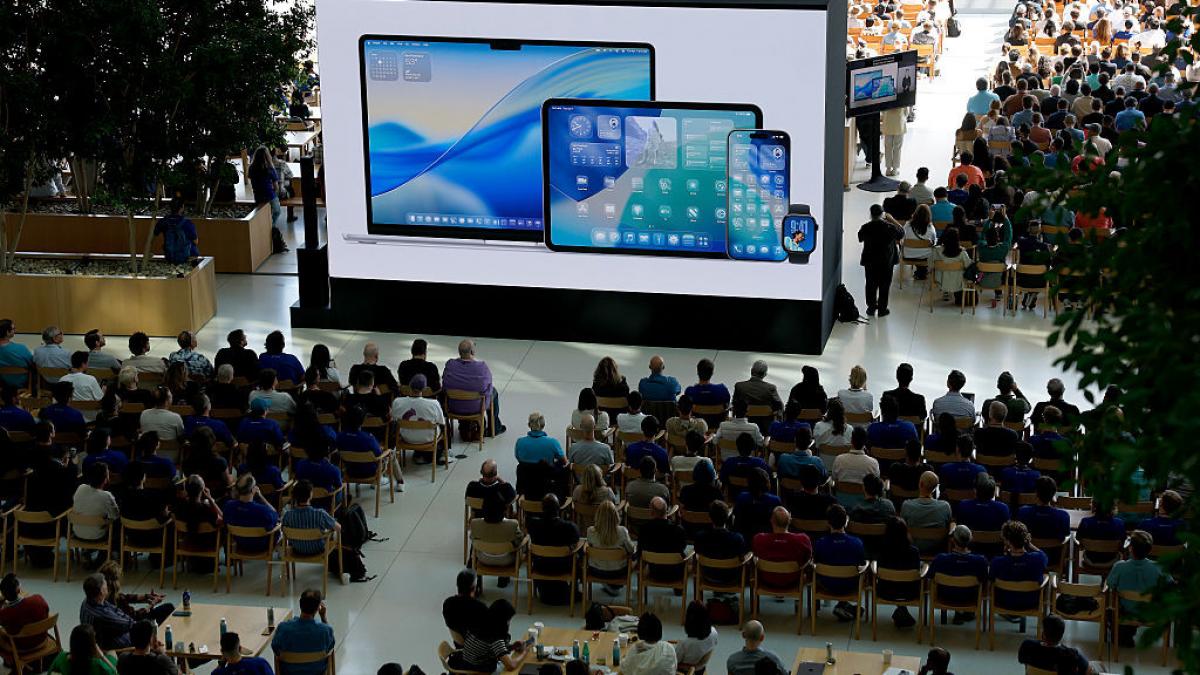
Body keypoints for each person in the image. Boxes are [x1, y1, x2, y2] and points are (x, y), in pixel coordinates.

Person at [927, 525, 990, 625]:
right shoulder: (980, 561)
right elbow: (985, 581)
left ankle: (959, 612)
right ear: (970, 539)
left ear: (953, 540)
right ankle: (963, 611)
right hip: (970, 599)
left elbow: (929, 577)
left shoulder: (940, 559)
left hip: (945, 597)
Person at [813, 504, 867, 621]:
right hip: (850, 586)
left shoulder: (820, 543)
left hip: (826, 585)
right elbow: (862, 564)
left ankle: (842, 606)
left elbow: (815, 563)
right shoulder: (857, 543)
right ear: (846, 522)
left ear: (828, 523)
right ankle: (844, 605)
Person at [990, 520, 1048, 621]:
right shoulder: (1038, 559)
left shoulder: (997, 562)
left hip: (1004, 602)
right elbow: (1044, 556)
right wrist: (1030, 544)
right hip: (1031, 603)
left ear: (1007, 541)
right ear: (1025, 540)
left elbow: (991, 579)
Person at [527, 494, 580, 603]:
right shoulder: (569, 527)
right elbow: (577, 539)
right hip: (562, 568)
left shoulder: (533, 525)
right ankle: (574, 591)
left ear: (542, 509)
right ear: (558, 509)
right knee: (579, 553)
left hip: (540, 566)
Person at [444, 339, 504, 435]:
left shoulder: (450, 365)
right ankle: (495, 428)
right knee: (494, 391)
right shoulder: (481, 367)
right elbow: (488, 387)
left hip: (454, 407)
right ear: (472, 352)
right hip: (477, 408)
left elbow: (444, 384)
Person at [270, 590, 335, 675]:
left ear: (300, 604)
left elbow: (275, 648)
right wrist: (323, 618)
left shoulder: (283, 628)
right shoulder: (325, 630)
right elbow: (331, 645)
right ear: (318, 608)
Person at [450, 598, 523, 672]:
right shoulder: (495, 637)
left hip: (466, 660)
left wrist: (512, 646)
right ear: (503, 621)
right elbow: (511, 666)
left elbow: (493, 649)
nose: (509, 623)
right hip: (476, 668)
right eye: (509, 620)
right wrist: (524, 653)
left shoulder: (479, 624)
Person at [857, 204, 903, 316]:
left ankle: (871, 307)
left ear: (871, 214)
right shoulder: (890, 227)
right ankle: (882, 309)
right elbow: (901, 234)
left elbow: (860, 238)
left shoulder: (866, 227)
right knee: (885, 284)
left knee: (870, 284)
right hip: (886, 261)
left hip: (870, 260)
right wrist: (893, 220)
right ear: (882, 214)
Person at [876, 517, 922, 628]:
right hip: (910, 593)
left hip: (886, 591)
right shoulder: (914, 552)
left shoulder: (882, 550)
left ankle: (901, 610)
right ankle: (902, 610)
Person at [470, 494, 524, 588]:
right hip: (507, 560)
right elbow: (518, 541)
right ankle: (504, 577)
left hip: (483, 558)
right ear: (504, 510)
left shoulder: (475, 524)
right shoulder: (512, 525)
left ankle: (477, 583)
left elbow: (472, 539)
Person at [751, 505, 812, 588]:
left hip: (766, 581)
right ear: (789, 520)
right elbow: (808, 558)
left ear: (771, 520)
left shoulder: (758, 539)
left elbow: (755, 554)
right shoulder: (802, 539)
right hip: (793, 582)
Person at [1016, 475, 1070, 564]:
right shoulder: (1063, 516)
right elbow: (1065, 535)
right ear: (1054, 494)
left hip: (1029, 557)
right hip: (1054, 560)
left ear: (1036, 493)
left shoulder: (1023, 512)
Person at [586, 500, 636, 595]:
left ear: (598, 515)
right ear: (615, 515)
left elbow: (590, 546)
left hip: (596, 571)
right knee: (635, 559)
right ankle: (614, 586)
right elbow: (631, 550)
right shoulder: (622, 531)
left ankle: (609, 585)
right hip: (618, 572)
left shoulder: (590, 531)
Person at [1017, 614, 1094, 674]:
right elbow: (1089, 671)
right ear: (1061, 635)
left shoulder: (1027, 646)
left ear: (1043, 634)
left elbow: (1022, 660)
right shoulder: (1072, 655)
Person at [223, 475, 280, 554]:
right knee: (278, 529)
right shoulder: (263, 511)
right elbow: (275, 515)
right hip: (261, 547)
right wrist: (261, 496)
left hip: (240, 545)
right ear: (253, 490)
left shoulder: (228, 506)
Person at [900, 471, 952, 555]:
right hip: (937, 551)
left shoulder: (906, 505)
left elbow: (902, 529)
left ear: (920, 484)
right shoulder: (945, 506)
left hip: (913, 550)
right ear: (935, 488)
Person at [694, 500, 748, 580]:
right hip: (731, 577)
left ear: (710, 518)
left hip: (708, 575)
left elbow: (697, 553)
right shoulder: (737, 538)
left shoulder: (700, 536)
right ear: (727, 517)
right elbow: (742, 558)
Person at [80, 573, 135, 650]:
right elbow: (130, 624)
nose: (107, 586)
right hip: (105, 646)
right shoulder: (103, 615)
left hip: (98, 637)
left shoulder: (87, 601)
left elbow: (114, 609)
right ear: (101, 592)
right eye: (105, 584)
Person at [0, 573, 50, 657]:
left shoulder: (5, 614)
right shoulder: (38, 599)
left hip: (20, 648)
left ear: (3, 594)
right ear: (18, 590)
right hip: (42, 641)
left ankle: (10, 660)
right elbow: (46, 611)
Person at [638, 497, 688, 579]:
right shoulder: (678, 530)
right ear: (667, 510)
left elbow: (640, 549)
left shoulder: (644, 529)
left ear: (651, 512)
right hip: (675, 573)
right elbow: (683, 547)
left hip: (654, 572)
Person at [832, 427, 880, 508]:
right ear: (865, 442)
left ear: (851, 440)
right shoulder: (873, 463)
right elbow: (876, 483)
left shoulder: (839, 459)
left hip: (841, 504)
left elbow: (834, 478)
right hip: (865, 506)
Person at [49, 625, 118, 675]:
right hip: (104, 665)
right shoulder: (98, 665)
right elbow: (115, 672)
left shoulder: (61, 658)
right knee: (112, 652)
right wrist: (102, 657)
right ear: (91, 647)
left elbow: (50, 672)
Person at [867, 394, 919, 459]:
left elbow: (867, 451)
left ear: (882, 412)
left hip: (877, 465)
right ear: (897, 411)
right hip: (903, 465)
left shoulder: (872, 429)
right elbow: (916, 450)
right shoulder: (909, 427)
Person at [443, 568, 486, 644]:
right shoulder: (480, 608)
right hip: (476, 648)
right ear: (474, 587)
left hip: (458, 645)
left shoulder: (447, 603)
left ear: (457, 585)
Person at [676, 603, 718, 674]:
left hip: (685, 671)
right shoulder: (714, 632)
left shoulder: (685, 643)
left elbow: (675, 660)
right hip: (700, 668)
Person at [154, 199, 199, 264]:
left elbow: (155, 234)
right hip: (185, 257)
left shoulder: (163, 221)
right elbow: (196, 241)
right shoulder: (187, 223)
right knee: (192, 244)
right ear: (182, 208)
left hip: (169, 256)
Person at [249, 146, 283, 226]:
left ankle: (265, 226)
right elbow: (276, 186)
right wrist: (276, 195)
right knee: (277, 211)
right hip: (269, 195)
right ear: (268, 157)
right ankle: (272, 225)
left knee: (262, 213)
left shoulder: (251, 168)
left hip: (258, 195)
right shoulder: (269, 169)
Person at [812, 399, 852, 466]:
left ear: (828, 411)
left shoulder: (819, 426)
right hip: (842, 468)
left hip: (824, 467)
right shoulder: (850, 429)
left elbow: (817, 445)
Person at [0, 320, 33, 389]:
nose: (15, 330)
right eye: (13, 329)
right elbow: (32, 363)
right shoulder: (21, 348)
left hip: (3, 384)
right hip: (22, 383)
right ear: (7, 332)